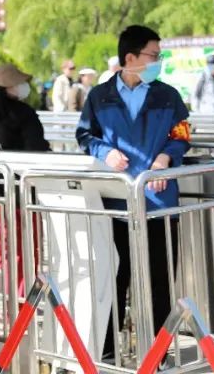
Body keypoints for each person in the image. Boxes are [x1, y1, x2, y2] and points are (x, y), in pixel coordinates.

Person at [75, 25, 191, 360]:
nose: (158, 61)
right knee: (115, 275)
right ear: (130, 58)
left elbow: (182, 133)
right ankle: (108, 351)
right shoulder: (99, 97)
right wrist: (104, 152)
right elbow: (85, 135)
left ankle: (158, 354)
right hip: (115, 201)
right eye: (154, 55)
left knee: (159, 279)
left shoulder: (168, 95)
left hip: (159, 201)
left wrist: (166, 157)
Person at [0, 64, 49, 152]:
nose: (24, 85)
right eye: (20, 83)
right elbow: (36, 145)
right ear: (8, 87)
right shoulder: (25, 113)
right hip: (21, 160)